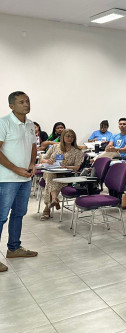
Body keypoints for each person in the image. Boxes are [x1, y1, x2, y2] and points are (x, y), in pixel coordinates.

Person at [0, 91, 38, 272]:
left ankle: (14, 248)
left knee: (19, 213)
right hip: (7, 178)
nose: (26, 104)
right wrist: (15, 169)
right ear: (11, 106)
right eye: (21, 102)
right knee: (1, 217)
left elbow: (33, 146)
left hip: (26, 177)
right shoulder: (3, 123)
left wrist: (32, 163)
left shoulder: (30, 124)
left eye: (28, 101)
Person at [39, 129, 84, 220]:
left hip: (66, 175)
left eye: (72, 136)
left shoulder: (77, 151)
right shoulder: (55, 147)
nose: (70, 138)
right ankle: (54, 199)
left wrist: (67, 166)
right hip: (51, 171)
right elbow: (42, 160)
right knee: (50, 176)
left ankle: (48, 208)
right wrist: (48, 161)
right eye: (68, 136)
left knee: (51, 180)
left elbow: (77, 168)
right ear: (62, 137)